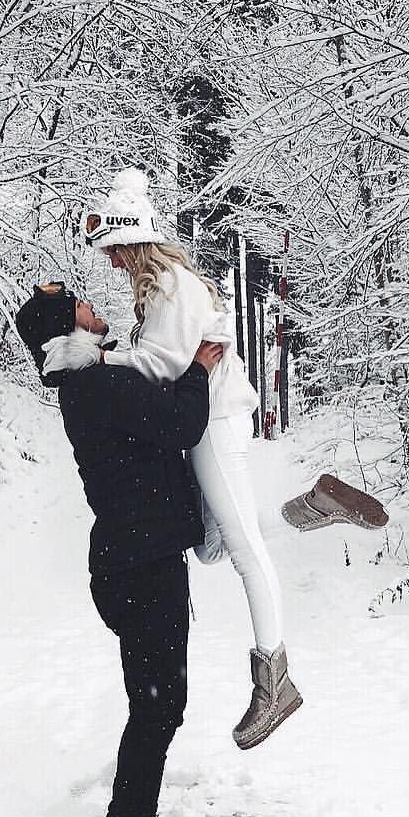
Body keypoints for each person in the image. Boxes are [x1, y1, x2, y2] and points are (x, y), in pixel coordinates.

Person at [14, 280, 223, 817]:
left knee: (151, 711)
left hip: (132, 565)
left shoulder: (92, 382)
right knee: (159, 713)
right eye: (78, 304)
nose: (91, 304)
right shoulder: (98, 384)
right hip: (143, 569)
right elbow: (181, 422)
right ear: (66, 326)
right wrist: (199, 369)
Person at [77, 168, 302, 751]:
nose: (112, 262)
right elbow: (162, 361)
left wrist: (98, 362)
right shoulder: (163, 290)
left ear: (134, 241)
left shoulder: (173, 287)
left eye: (115, 250)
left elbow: (167, 366)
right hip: (207, 423)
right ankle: (304, 512)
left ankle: (274, 679)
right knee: (211, 544)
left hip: (215, 422)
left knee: (243, 551)